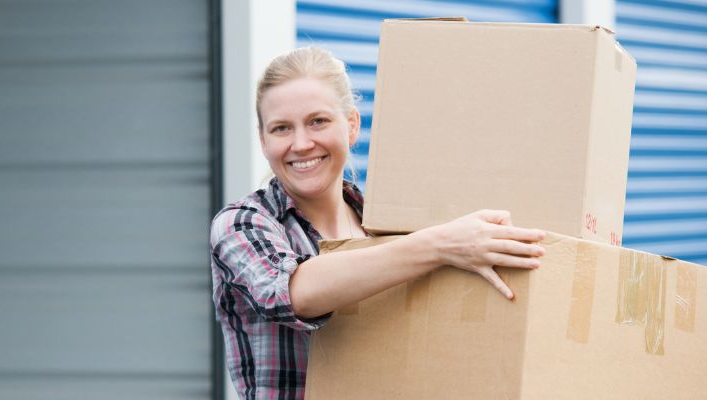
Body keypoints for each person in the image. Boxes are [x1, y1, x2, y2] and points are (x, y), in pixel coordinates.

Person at [209, 47, 546, 400]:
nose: (301, 143)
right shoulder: (242, 225)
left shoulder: (388, 228)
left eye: (318, 121)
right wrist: (443, 245)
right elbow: (294, 294)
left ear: (352, 125)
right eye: (281, 128)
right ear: (263, 141)